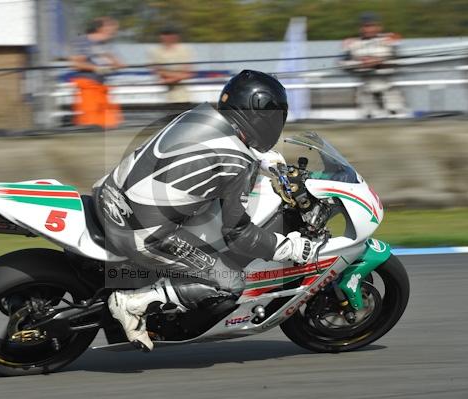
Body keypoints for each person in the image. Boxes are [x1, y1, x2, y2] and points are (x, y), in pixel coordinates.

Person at [97, 70, 319, 351]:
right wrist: (287, 248)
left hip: (111, 198)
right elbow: (239, 234)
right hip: (142, 232)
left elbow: (202, 155)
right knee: (231, 281)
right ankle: (131, 303)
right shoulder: (236, 162)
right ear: (261, 114)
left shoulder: (198, 116)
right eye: (276, 116)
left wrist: (260, 159)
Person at [341, 12, 405, 118]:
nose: (369, 29)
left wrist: (379, 62)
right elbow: (343, 64)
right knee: (368, 123)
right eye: (366, 26)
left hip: (389, 90)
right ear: (360, 28)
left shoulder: (390, 40)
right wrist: (360, 64)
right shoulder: (351, 44)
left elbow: (399, 62)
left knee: (396, 118)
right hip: (365, 91)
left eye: (373, 26)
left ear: (380, 27)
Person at [69, 17, 124, 128]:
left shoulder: (104, 44)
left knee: (110, 123)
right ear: (99, 28)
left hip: (102, 87)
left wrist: (112, 61)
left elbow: (120, 64)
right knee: (91, 123)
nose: (113, 31)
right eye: (110, 27)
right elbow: (76, 64)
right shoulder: (83, 41)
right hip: (88, 87)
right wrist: (96, 68)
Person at [148, 25, 194, 104]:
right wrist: (178, 75)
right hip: (165, 98)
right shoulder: (155, 51)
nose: (167, 37)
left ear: (176, 36)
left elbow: (188, 73)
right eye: (165, 34)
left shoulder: (185, 49)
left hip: (184, 97)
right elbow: (157, 71)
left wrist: (169, 79)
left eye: (170, 34)